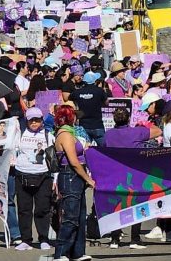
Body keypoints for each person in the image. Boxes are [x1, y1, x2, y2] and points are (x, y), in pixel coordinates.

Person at [105, 108, 161, 249]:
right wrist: (145, 124)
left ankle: (114, 239)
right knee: (137, 204)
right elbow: (158, 131)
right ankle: (135, 238)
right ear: (129, 118)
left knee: (116, 206)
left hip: (115, 174)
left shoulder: (108, 135)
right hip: (135, 174)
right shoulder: (137, 132)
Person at [53, 105, 95, 261]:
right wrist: (88, 179)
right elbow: (74, 162)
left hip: (75, 178)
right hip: (70, 176)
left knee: (80, 217)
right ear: (70, 117)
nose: (77, 118)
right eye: (74, 115)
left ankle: (77, 253)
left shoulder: (71, 133)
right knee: (70, 218)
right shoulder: (65, 135)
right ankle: (61, 253)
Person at [14, 108, 54, 251]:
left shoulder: (48, 135)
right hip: (22, 174)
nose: (34, 122)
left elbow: (53, 159)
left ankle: (43, 238)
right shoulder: (19, 133)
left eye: (37, 119)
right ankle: (26, 240)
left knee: (42, 208)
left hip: (43, 175)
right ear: (27, 120)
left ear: (42, 120)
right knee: (24, 209)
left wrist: (55, 179)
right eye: (31, 120)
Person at [70, 71, 107, 146]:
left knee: (86, 150)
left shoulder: (78, 92)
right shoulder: (99, 91)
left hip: (84, 126)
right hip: (97, 125)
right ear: (95, 81)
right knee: (104, 150)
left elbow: (70, 97)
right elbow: (107, 103)